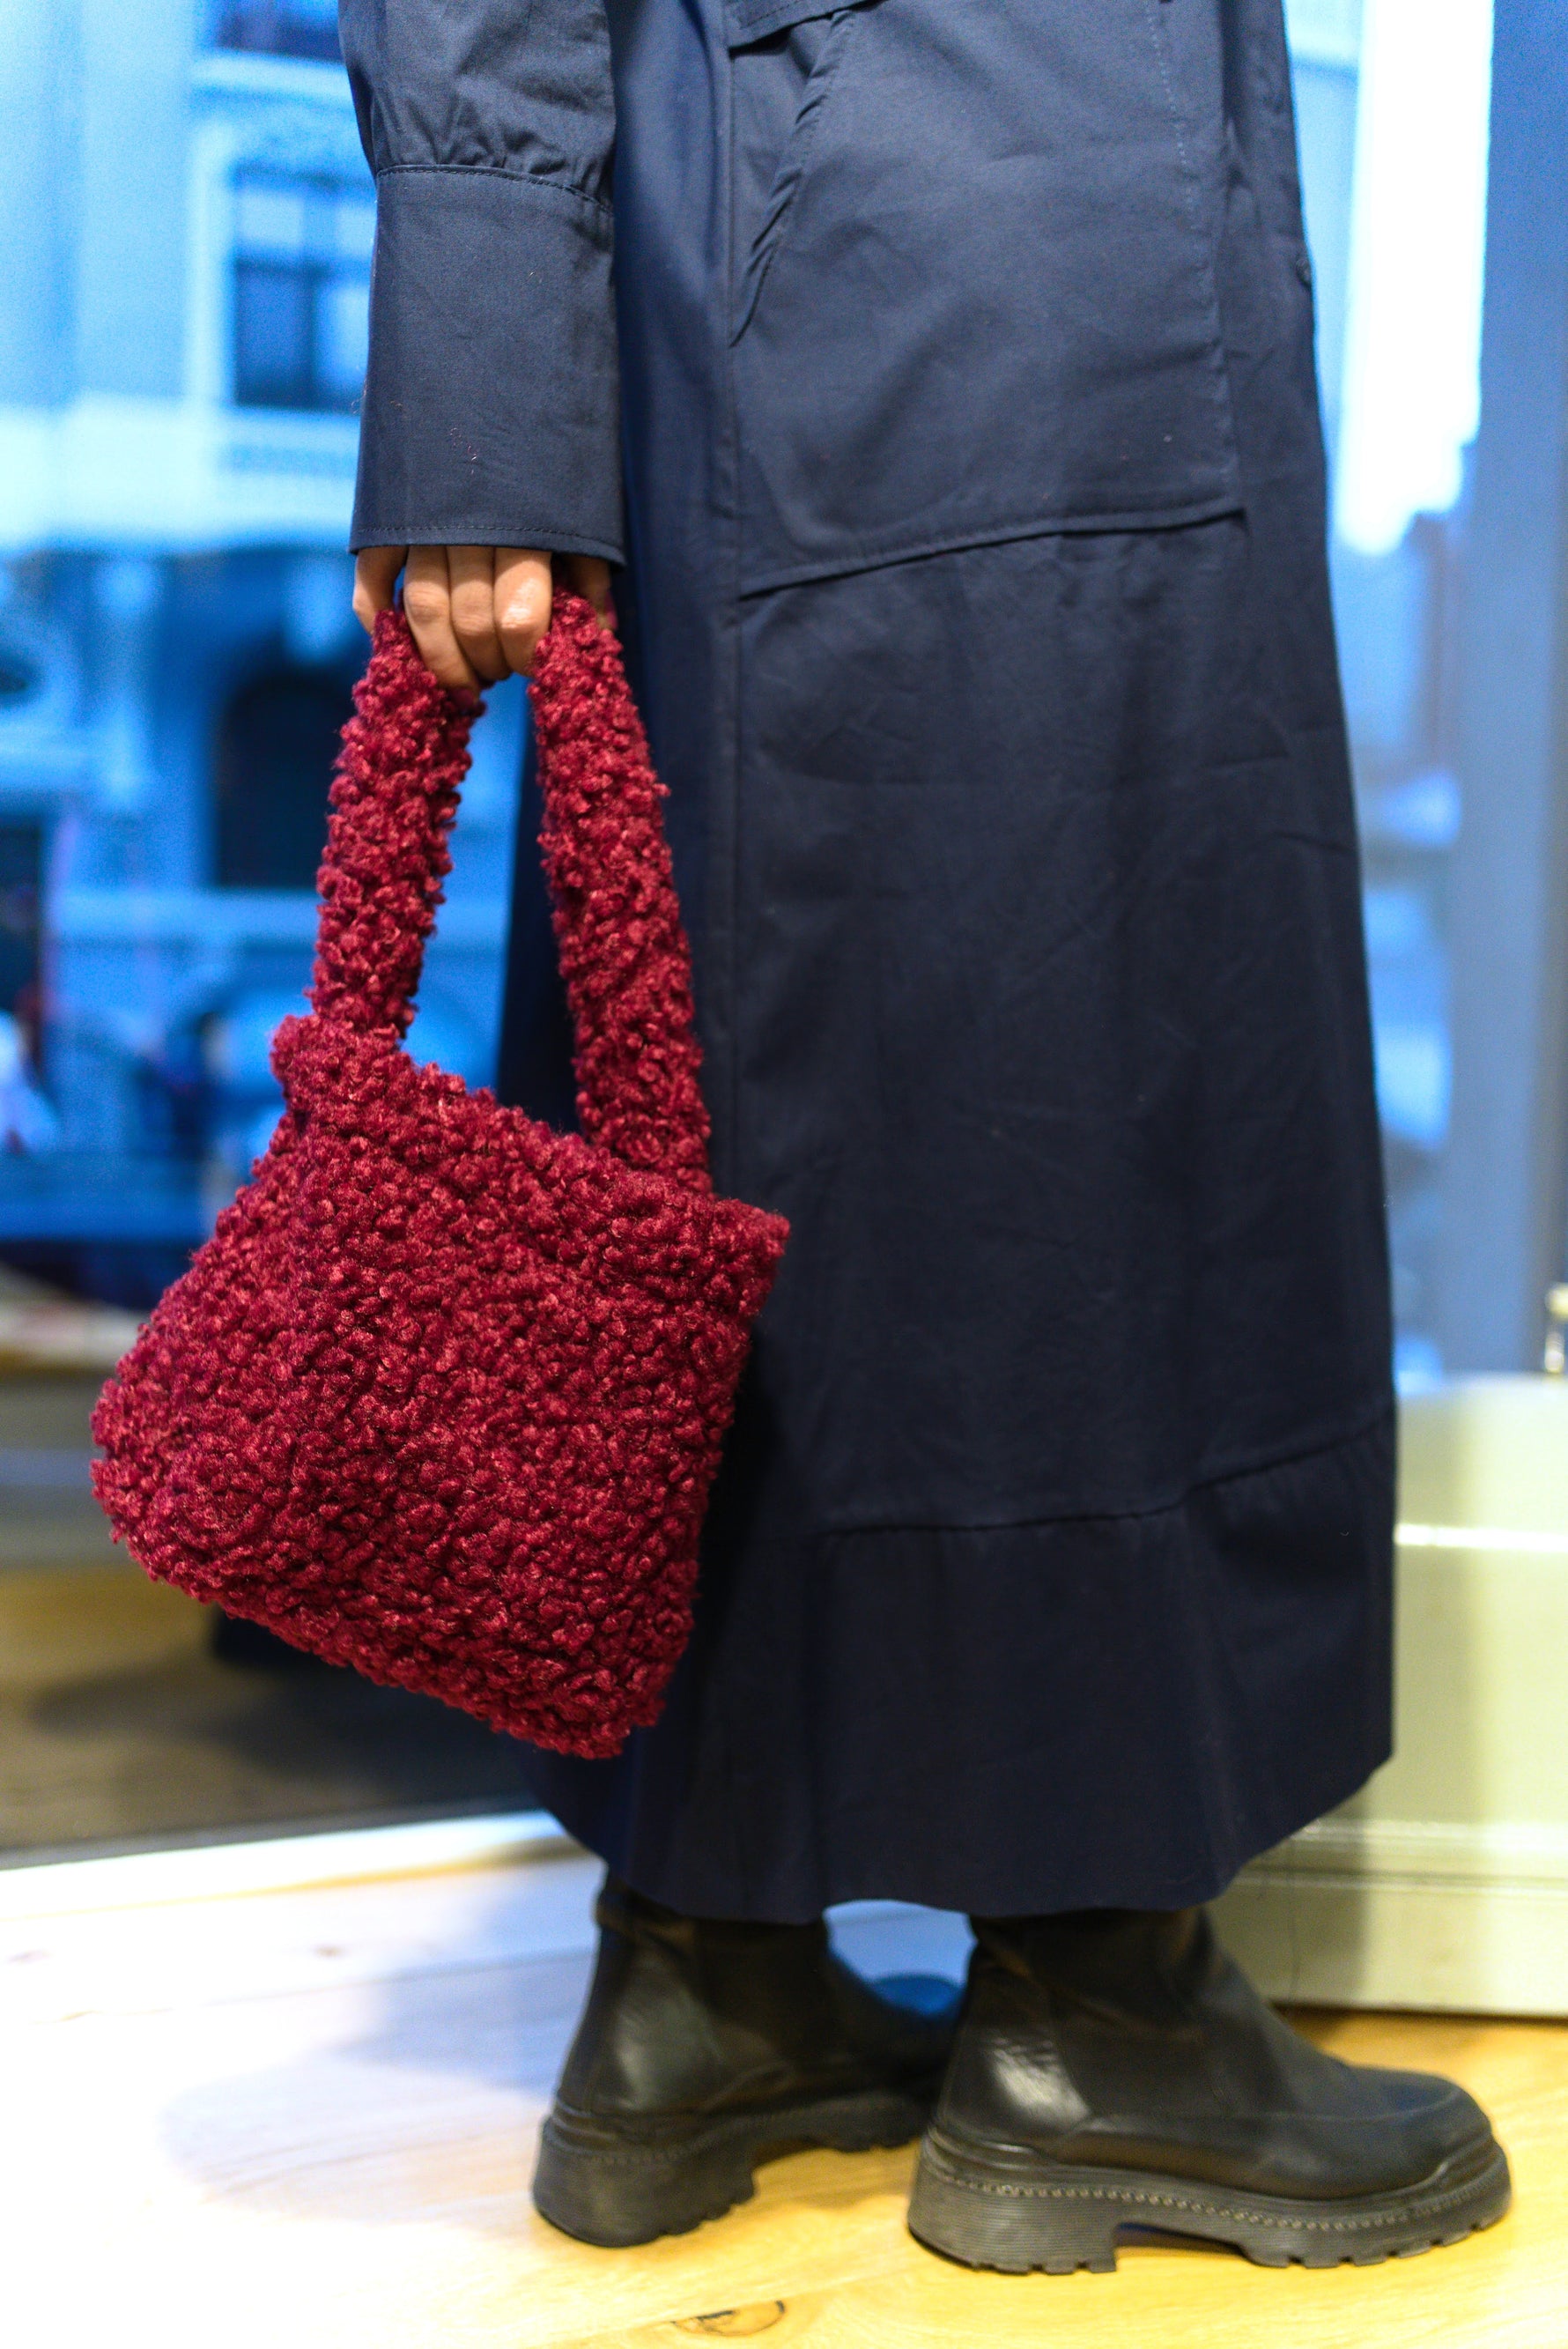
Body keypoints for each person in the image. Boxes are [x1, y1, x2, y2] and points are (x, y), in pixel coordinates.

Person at [338, 0, 1510, 2271]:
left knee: (753, 1060)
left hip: (866, 209)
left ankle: (705, 1974)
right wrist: (475, 356)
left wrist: (497, 360)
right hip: (972, 221)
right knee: (1085, 1047)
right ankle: (1105, 2007)